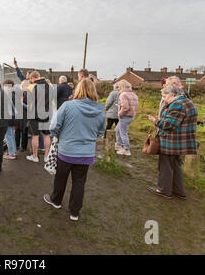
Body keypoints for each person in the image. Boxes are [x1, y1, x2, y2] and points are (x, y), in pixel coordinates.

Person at [44, 79, 105, 221]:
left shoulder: (67, 106)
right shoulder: (100, 111)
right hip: (86, 153)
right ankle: (74, 212)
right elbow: (101, 131)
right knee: (79, 182)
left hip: (66, 150)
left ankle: (56, 201)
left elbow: (53, 126)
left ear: (77, 90)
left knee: (61, 178)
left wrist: (58, 136)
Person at [147, 85, 198, 199]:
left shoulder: (177, 105)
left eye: (165, 96)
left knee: (165, 165)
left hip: (171, 141)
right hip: (180, 141)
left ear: (173, 95)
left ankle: (163, 190)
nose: (163, 99)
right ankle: (178, 191)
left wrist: (156, 121)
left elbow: (169, 125)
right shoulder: (187, 102)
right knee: (175, 166)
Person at [26, 71, 51, 163]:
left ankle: (35, 156)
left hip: (34, 114)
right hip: (46, 113)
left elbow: (26, 101)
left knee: (35, 135)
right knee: (47, 135)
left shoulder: (31, 86)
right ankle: (46, 157)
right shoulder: (50, 85)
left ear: (32, 78)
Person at [115, 80, 138, 156]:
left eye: (118, 86)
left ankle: (126, 149)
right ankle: (118, 145)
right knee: (117, 130)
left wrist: (119, 114)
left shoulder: (123, 95)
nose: (117, 88)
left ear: (121, 86)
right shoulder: (133, 94)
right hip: (131, 116)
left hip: (125, 116)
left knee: (123, 133)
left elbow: (125, 107)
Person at [3, 79, 17, 160]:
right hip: (13, 117)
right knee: (11, 135)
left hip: (9, 117)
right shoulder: (13, 93)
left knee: (9, 136)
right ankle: (13, 152)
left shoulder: (8, 94)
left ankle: (12, 154)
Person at [15, 80, 30, 152]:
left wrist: (22, 104)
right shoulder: (20, 93)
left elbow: (30, 107)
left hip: (26, 116)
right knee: (17, 131)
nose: (23, 87)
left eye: (25, 86)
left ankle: (24, 147)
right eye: (23, 86)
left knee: (24, 132)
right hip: (19, 115)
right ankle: (16, 145)